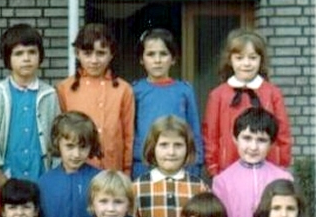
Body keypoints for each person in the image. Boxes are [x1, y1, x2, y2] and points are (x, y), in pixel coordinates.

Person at [203, 28, 292, 177]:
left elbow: (283, 132)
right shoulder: (218, 95)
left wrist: (281, 165)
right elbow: (210, 134)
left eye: (252, 58)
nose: (246, 63)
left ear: (260, 60)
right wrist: (213, 168)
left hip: (268, 168)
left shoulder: (273, 94)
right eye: (239, 58)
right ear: (230, 60)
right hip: (228, 169)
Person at [0, 23, 60, 188]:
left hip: (41, 174)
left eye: (32, 52)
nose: (26, 58)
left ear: (40, 56)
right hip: (8, 174)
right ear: (7, 58)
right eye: (18, 53)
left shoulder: (49, 94)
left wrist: (55, 171)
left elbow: (57, 137)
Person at [57, 23, 135, 174]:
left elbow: (128, 135)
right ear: (77, 53)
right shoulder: (64, 89)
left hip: (112, 169)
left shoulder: (123, 90)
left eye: (101, 53)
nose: (94, 60)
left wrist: (127, 170)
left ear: (111, 54)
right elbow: (60, 134)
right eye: (87, 53)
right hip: (77, 169)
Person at [212, 107, 292, 217]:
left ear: (272, 144)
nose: (253, 147)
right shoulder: (222, 181)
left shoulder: (283, 178)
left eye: (261, 140)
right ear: (235, 139)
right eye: (247, 138)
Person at [131, 28, 203, 178]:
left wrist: (196, 163)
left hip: (178, 163)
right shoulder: (135, 90)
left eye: (163, 54)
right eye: (151, 54)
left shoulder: (184, 90)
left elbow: (194, 129)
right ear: (141, 59)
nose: (157, 60)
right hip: (143, 164)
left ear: (173, 59)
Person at [38, 111, 102, 217]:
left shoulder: (99, 180)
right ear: (57, 143)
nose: (76, 154)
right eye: (70, 146)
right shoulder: (45, 183)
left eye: (83, 147)